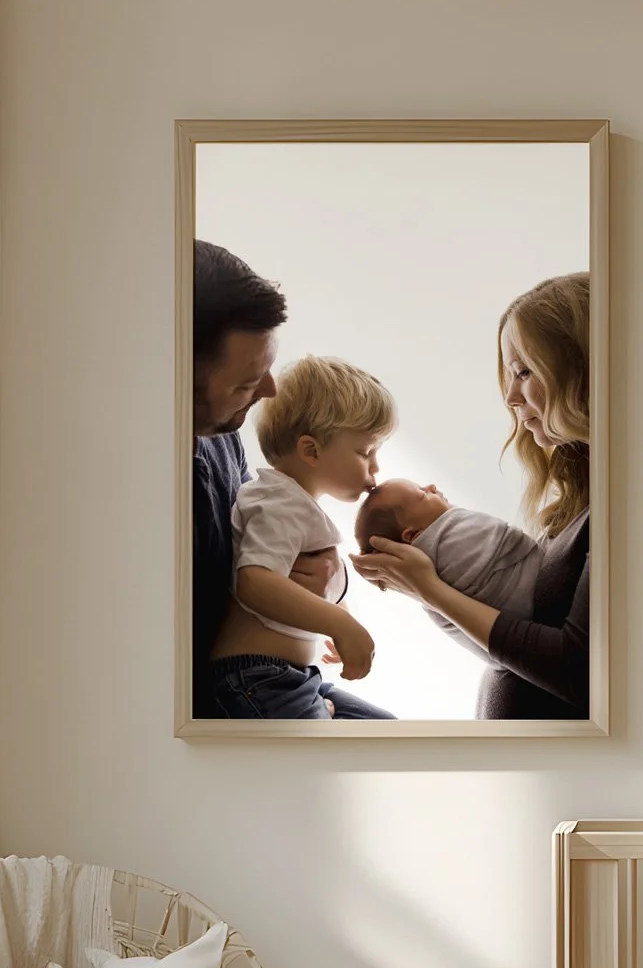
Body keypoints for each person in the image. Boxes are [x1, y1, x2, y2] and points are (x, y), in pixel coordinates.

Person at [351, 273, 591, 720]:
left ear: (578, 371)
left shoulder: (624, 509)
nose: (510, 396)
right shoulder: (582, 503)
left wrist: (428, 589)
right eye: (508, 374)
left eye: (525, 371)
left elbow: (577, 670)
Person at [191, 240, 341, 718]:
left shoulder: (220, 437)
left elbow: (255, 552)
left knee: (401, 746)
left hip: (287, 675)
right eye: (245, 383)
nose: (271, 390)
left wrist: (317, 578)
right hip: (232, 696)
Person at [208, 356, 398, 719]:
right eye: (365, 452)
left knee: (386, 732)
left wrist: (335, 613)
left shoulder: (294, 502)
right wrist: (339, 623)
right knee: (343, 756)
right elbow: (255, 582)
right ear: (311, 450)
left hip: (286, 677)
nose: (375, 467)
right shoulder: (279, 502)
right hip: (259, 678)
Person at [353, 478, 542, 667]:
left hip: (516, 642)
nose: (432, 487)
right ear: (411, 535)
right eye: (422, 494)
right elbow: (504, 535)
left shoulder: (420, 581)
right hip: (531, 619)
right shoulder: (445, 543)